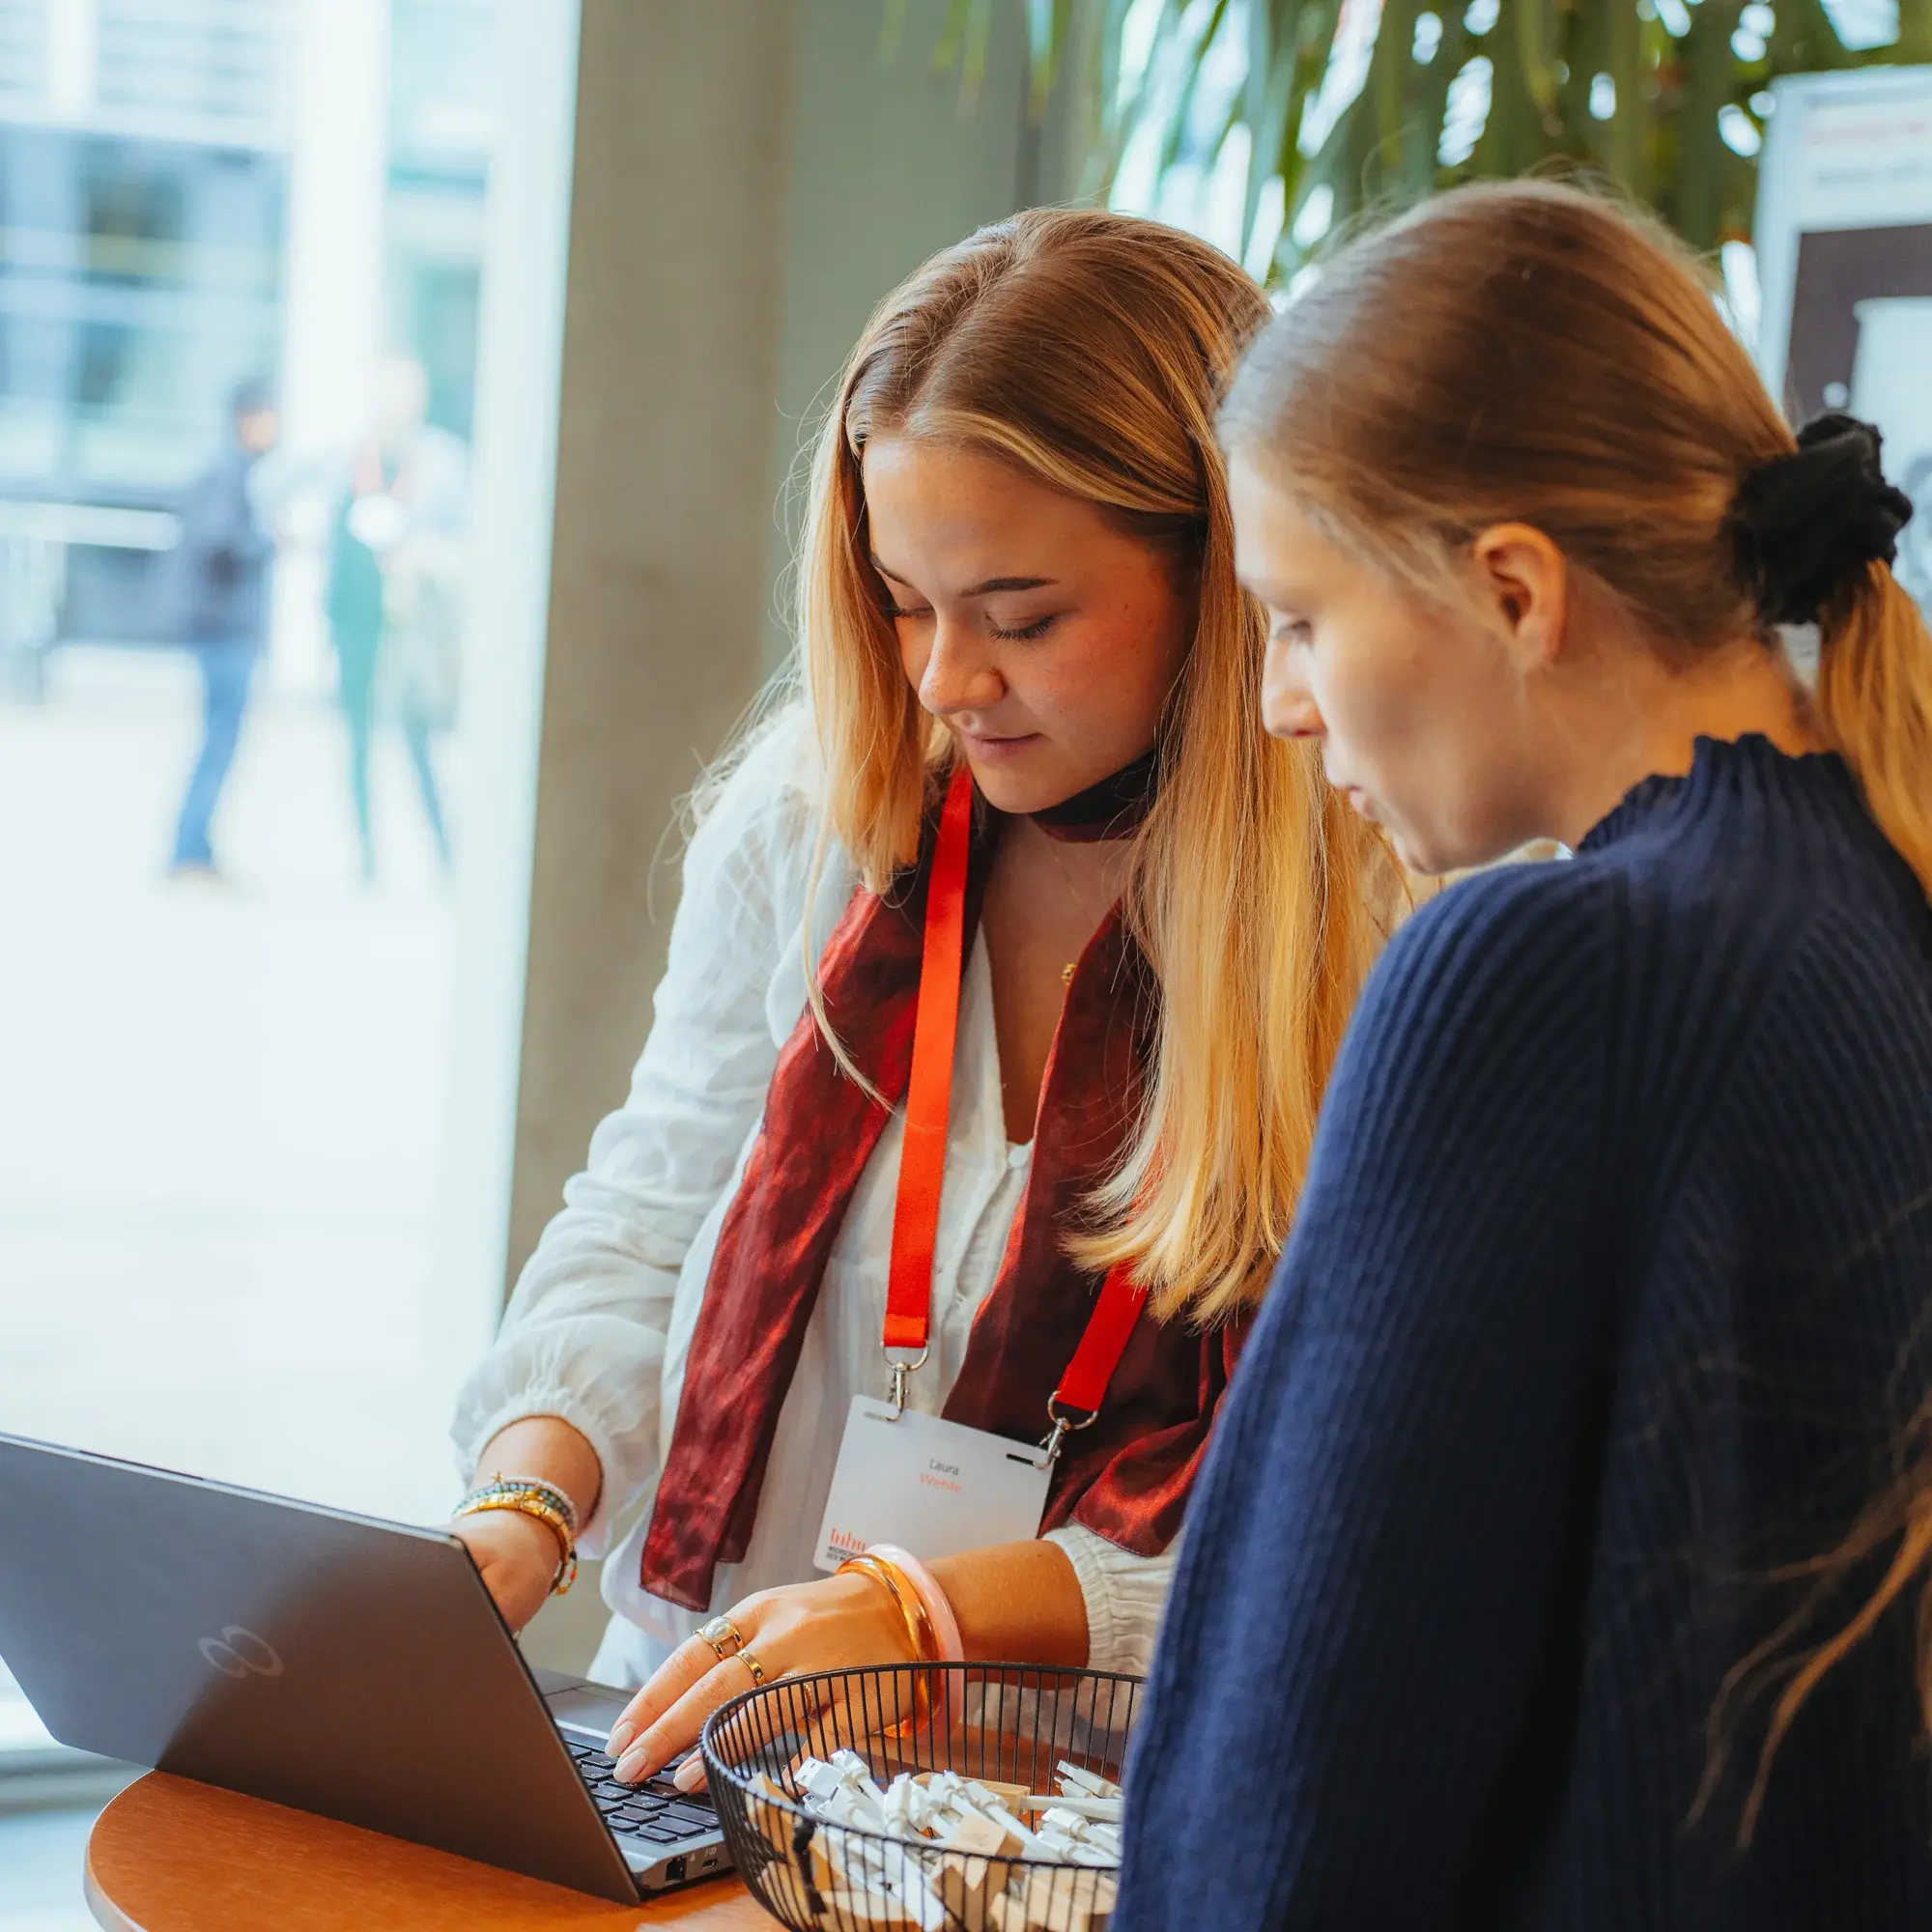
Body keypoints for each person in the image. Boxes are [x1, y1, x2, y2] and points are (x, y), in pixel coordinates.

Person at [447, 210, 1401, 1789]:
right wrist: (531, 1494)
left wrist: (929, 1616)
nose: (948, 678)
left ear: (1227, 566)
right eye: (902, 600)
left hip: (1070, 1804)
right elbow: (646, 1211)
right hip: (700, 1736)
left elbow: (1337, 1499)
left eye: (1022, 616)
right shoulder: (814, 815)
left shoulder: (1373, 914)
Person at [1115, 181, 1932, 1930]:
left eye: (1304, 617)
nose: (1279, 701)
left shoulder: (1544, 973)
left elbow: (1285, 1803)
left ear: (1512, 589)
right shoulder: (1884, 907)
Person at [325, 355, 465, 881]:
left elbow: (466, 540)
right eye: (390, 392)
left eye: (408, 393)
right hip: (356, 620)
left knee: (418, 742)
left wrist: (421, 556)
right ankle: (366, 859)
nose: (398, 404)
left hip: (412, 624)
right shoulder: (348, 456)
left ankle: (446, 858)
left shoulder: (443, 462)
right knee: (357, 741)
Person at [165, 380, 279, 878]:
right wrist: (266, 542)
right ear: (248, 420)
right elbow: (217, 542)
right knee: (217, 743)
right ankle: (189, 853)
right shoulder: (227, 474)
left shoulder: (234, 472)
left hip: (224, 631)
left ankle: (198, 850)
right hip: (223, 632)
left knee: (220, 743)